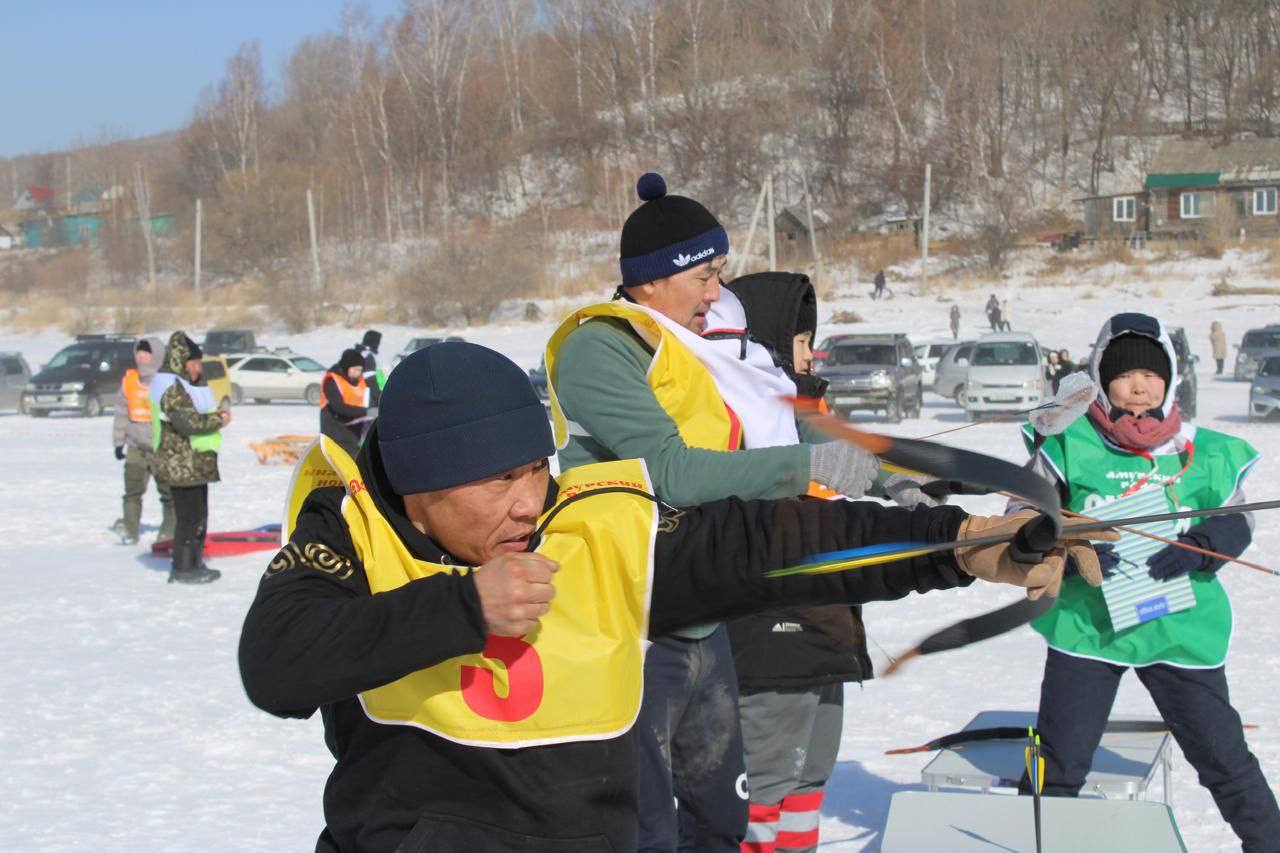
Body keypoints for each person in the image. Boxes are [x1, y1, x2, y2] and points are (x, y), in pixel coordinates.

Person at [238, 340, 1109, 853]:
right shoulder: (352, 530)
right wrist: (463, 608)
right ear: (424, 483)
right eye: (499, 479)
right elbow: (275, 662)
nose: (527, 501)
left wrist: (960, 546)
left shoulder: (586, 526)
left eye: (535, 470)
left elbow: (766, 545)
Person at [547, 173, 878, 851]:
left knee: (720, 821)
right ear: (651, 281)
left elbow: (781, 426)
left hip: (707, 619)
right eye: (704, 275)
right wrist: (807, 469)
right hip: (636, 621)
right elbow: (669, 470)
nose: (714, 292)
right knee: (647, 827)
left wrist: (910, 470)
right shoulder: (601, 349)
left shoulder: (703, 348)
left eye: (718, 275)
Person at [1016, 312, 1280, 851]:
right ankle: (1032, 844)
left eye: (1152, 374)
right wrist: (1069, 552)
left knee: (1223, 757)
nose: (1139, 384)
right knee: (1058, 762)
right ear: (1101, 379)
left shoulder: (1201, 448)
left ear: (1171, 378)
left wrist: (1204, 549)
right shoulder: (1065, 442)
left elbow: (1239, 515)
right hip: (1086, 629)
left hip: (1180, 629)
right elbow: (1020, 520)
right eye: (1124, 374)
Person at [703, 271, 904, 853]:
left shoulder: (808, 410)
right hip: (771, 635)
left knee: (810, 778)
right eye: (798, 340)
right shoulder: (744, 412)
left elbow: (861, 460)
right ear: (764, 341)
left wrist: (911, 485)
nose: (810, 353)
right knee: (764, 783)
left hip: (826, 625)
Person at [151, 331, 229, 585]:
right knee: (189, 518)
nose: (198, 368)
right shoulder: (171, 386)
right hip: (180, 464)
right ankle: (183, 567)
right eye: (194, 363)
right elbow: (187, 422)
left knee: (199, 515)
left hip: (194, 464)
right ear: (182, 362)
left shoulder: (186, 384)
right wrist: (219, 419)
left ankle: (194, 562)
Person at [111, 336, 173, 545]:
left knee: (168, 493)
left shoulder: (167, 382)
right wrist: (119, 442)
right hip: (136, 447)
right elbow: (121, 413)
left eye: (146, 352)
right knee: (132, 491)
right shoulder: (129, 381)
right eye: (139, 351)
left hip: (161, 448)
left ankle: (168, 533)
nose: (141, 356)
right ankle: (130, 530)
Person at [320, 348, 371, 459]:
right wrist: (367, 412)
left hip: (354, 433)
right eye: (356, 369)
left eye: (360, 370)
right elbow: (339, 408)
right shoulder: (332, 381)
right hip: (336, 434)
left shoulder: (359, 381)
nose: (358, 373)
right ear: (347, 367)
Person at [355, 330, 384, 405]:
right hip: (369, 399)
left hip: (366, 396)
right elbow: (371, 381)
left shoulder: (360, 354)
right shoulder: (367, 356)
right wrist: (381, 398)